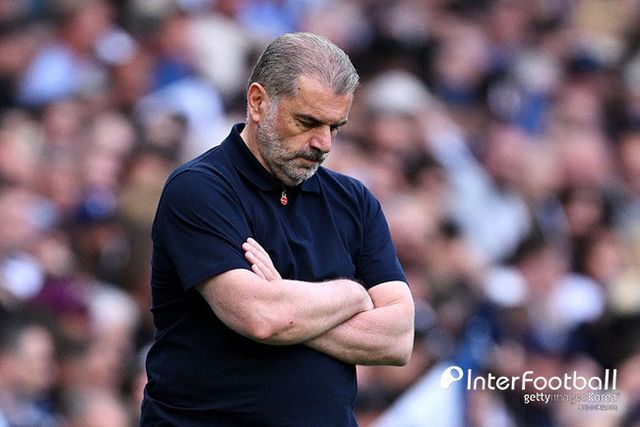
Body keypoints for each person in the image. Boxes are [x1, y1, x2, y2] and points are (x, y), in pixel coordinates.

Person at [140, 32, 415, 426]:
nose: (323, 144)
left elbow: (398, 339)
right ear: (258, 102)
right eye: (308, 122)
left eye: (335, 127)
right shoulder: (199, 188)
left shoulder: (354, 201)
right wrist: (352, 294)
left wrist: (288, 304)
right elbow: (260, 317)